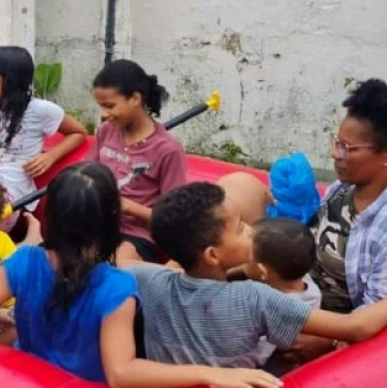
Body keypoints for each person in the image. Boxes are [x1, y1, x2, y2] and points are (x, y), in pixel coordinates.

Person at [0, 163, 279, 388]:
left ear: (51, 215)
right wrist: (213, 374)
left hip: (26, 376)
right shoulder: (115, 286)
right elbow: (121, 373)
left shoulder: (23, 260)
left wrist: (0, 313)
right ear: (112, 220)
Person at [128, 182, 387, 369]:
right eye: (241, 228)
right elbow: (356, 327)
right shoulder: (255, 299)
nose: (251, 231)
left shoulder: (150, 281)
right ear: (212, 255)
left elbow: (121, 264)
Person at [86, 59, 187, 263]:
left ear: (135, 98)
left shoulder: (167, 149)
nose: (104, 115)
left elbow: (174, 218)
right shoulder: (106, 132)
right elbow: (87, 175)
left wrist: (127, 207)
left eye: (110, 106)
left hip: (135, 236)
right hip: (96, 224)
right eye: (100, 106)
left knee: (119, 260)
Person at [0, 46, 87, 221]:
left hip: (5, 194)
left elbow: (79, 132)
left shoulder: (39, 110)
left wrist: (50, 156)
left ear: (8, 79)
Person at [309, 78, 387, 312]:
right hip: (298, 302)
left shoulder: (381, 225)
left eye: (347, 148)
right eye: (336, 142)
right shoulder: (341, 190)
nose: (335, 154)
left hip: (335, 328)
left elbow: (373, 314)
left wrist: (327, 339)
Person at [241, 218, 322, 374]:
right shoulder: (304, 281)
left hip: (273, 365)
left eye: (246, 255)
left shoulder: (275, 311)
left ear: (262, 271)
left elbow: (255, 356)